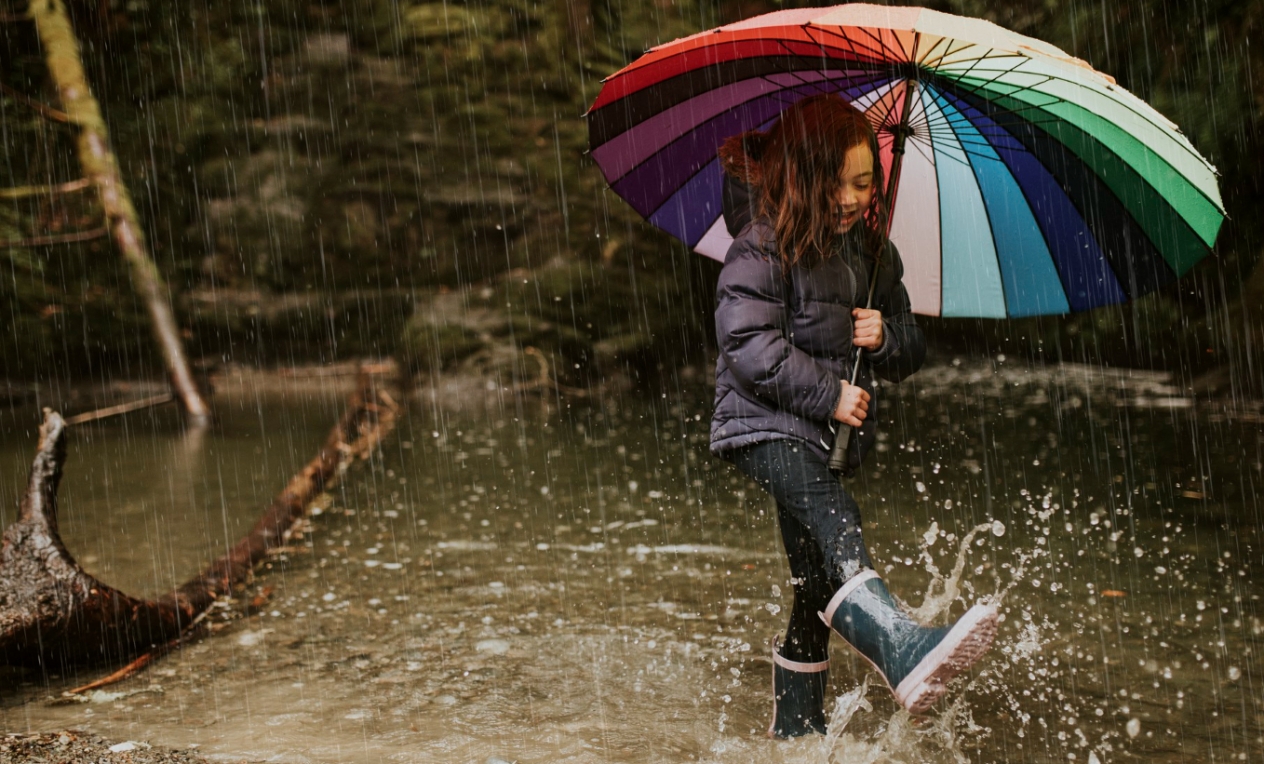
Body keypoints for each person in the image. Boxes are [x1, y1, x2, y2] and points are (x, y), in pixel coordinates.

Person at [710, 94, 997, 737]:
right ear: (804, 178)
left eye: (864, 183)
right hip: (761, 426)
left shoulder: (873, 253)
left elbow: (910, 348)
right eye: (835, 182)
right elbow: (748, 346)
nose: (850, 197)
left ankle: (795, 735)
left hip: (818, 434)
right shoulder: (762, 244)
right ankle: (899, 645)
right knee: (835, 517)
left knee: (814, 585)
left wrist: (885, 336)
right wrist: (831, 395)